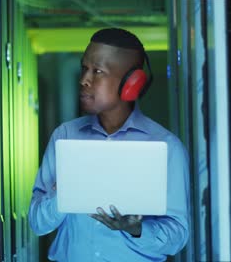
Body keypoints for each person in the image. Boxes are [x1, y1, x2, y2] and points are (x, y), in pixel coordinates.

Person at [28, 28, 190, 261]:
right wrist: (65, 192)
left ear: (132, 83)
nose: (84, 80)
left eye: (97, 71)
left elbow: (178, 235)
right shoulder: (64, 135)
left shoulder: (167, 147)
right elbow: (37, 224)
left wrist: (137, 229)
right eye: (84, 69)